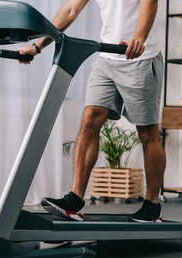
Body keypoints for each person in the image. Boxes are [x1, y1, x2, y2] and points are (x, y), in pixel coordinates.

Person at [19, 0, 165, 222]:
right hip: (107, 58)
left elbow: (150, 1)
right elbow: (70, 10)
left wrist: (140, 37)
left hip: (139, 59)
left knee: (147, 133)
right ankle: (75, 200)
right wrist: (38, 46)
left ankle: (152, 205)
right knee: (89, 120)